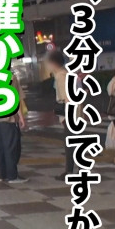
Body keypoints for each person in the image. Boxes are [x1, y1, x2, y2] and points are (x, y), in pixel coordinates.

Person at [46, 50, 81, 181]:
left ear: (54, 63)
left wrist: (66, 116)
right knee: (72, 142)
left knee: (70, 143)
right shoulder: (65, 74)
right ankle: (73, 169)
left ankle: (70, 170)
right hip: (73, 113)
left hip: (69, 114)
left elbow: (67, 97)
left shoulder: (61, 76)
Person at [0, 73, 28, 183]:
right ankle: (12, 176)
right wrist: (21, 117)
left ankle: (2, 175)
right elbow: (15, 98)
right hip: (8, 117)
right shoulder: (10, 77)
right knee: (10, 147)